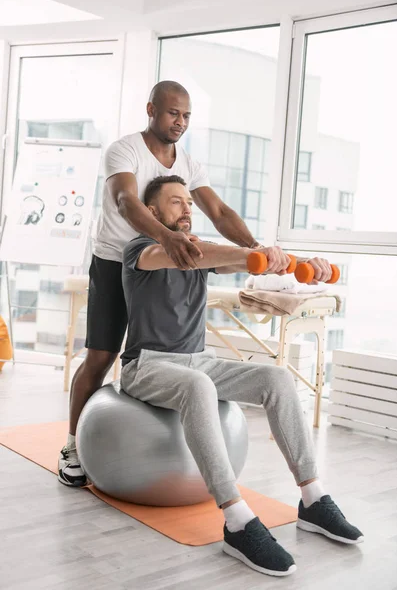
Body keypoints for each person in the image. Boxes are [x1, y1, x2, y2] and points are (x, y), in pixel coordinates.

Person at [58, 79, 333, 487]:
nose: (180, 122)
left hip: (170, 256)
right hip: (120, 257)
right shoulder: (126, 149)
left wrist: (259, 253)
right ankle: (72, 446)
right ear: (151, 110)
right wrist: (166, 237)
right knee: (101, 354)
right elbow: (126, 202)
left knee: (170, 351)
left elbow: (219, 212)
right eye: (172, 113)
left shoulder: (187, 164)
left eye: (186, 115)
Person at [120, 175, 363, 578]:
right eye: (176, 202)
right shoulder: (142, 250)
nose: (186, 210)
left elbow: (241, 260)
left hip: (197, 359)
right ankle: (236, 521)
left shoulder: (200, 254)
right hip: (147, 365)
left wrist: (304, 264)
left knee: (276, 379)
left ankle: (313, 498)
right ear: (151, 212)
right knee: (199, 386)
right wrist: (254, 251)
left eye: (189, 204)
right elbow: (194, 255)